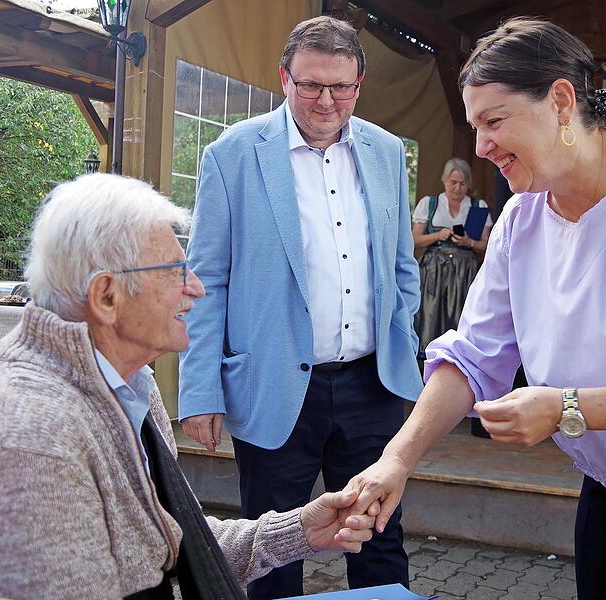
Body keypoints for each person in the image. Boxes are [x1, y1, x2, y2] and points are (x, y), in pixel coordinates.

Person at [344, 17, 606, 600]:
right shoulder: (522, 219)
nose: (480, 147)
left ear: (561, 100)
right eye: (475, 127)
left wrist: (565, 407)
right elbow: (473, 357)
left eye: (494, 122)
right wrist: (395, 462)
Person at [0, 173, 377, 600]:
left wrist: (299, 530)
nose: (197, 288)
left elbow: (167, 534)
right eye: (175, 271)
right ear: (107, 296)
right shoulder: (30, 443)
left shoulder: (125, 381)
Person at [177, 15, 423, 599]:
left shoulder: (387, 153)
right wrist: (201, 389)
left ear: (359, 84)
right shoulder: (231, 154)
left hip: (375, 386)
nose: (326, 100)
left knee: (380, 539)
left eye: (341, 87)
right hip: (273, 385)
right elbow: (206, 278)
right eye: (311, 84)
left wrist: (403, 345)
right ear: (283, 78)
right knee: (272, 551)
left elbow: (400, 268)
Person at [411, 157, 492, 354]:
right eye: (453, 182)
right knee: (431, 316)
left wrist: (469, 242)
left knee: (461, 316)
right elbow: (413, 241)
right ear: (444, 180)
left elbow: (487, 246)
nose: (457, 188)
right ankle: (426, 361)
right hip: (433, 271)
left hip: (464, 273)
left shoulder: (477, 206)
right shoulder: (429, 204)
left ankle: (459, 360)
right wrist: (438, 235)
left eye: (462, 183)